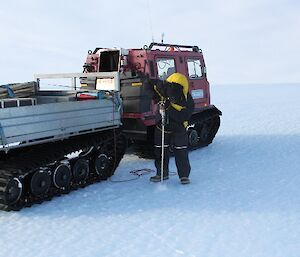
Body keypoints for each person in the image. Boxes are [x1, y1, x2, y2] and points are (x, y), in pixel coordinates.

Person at [149, 73, 195, 184]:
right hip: (162, 127)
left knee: (181, 151)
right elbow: (153, 85)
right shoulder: (164, 90)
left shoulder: (187, 100)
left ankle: (184, 176)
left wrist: (169, 108)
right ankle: (161, 173)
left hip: (179, 128)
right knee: (160, 151)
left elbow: (183, 116)